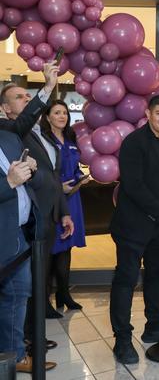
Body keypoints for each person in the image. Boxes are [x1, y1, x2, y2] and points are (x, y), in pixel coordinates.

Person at [110, 95, 159, 364]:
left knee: (156, 276)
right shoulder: (133, 143)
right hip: (133, 226)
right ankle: (121, 340)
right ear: (148, 114)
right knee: (126, 281)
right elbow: (134, 186)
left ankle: (155, 325)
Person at [2, 79, 75, 325]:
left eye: (28, 95)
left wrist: (63, 211)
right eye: (20, 97)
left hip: (48, 212)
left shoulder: (39, 133)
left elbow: (53, 176)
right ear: (5, 109)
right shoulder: (12, 133)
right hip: (30, 216)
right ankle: (30, 338)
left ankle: (35, 334)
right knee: (27, 280)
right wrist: (47, 87)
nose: (26, 99)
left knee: (38, 274)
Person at [0, 130, 56, 373]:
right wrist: (9, 182)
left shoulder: (10, 139)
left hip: (19, 237)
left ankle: (16, 357)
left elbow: (40, 181)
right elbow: (11, 183)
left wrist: (31, 170)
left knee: (17, 297)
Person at [40, 100, 89, 311]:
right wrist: (59, 186)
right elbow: (42, 173)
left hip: (73, 198)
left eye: (65, 113)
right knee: (52, 249)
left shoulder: (70, 137)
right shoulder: (42, 139)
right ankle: (45, 300)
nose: (62, 116)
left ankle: (64, 294)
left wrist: (80, 178)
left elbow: (75, 166)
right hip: (53, 199)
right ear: (48, 116)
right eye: (57, 113)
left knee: (66, 248)